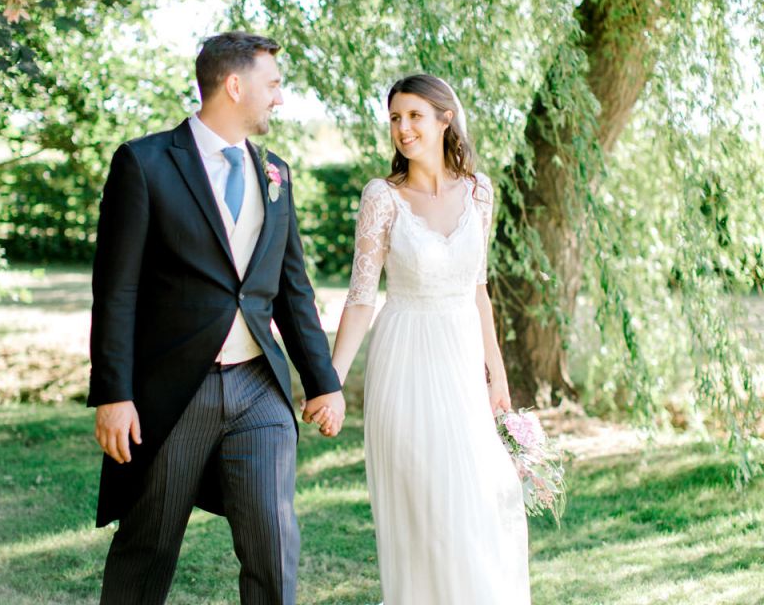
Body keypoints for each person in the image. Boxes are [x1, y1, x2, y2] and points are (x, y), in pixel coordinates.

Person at [88, 31, 345, 605]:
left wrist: (323, 382)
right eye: (272, 84)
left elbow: (292, 288)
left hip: (259, 388)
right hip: (175, 391)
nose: (279, 97)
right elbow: (116, 290)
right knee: (149, 545)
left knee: (274, 543)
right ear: (234, 85)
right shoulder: (145, 163)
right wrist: (114, 394)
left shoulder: (275, 173)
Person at [326, 74, 531, 604]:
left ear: (445, 119)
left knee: (485, 500)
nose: (403, 128)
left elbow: (479, 291)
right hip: (406, 364)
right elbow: (361, 297)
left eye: (415, 115)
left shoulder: (479, 192)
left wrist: (497, 377)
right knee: (429, 512)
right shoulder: (382, 197)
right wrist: (331, 382)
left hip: (462, 364)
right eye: (395, 118)